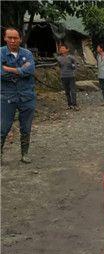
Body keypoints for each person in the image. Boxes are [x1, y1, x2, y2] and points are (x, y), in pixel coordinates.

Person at [1, 27, 36, 163]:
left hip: (27, 95)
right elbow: (1, 73)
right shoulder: (0, 53)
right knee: (3, 127)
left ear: (20, 39)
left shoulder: (27, 53)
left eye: (15, 38)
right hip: (6, 96)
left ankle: (24, 154)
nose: (12, 40)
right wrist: (21, 70)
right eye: (9, 37)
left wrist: (8, 68)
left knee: (26, 127)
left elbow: (31, 70)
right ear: (4, 38)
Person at [56, 44, 79, 110]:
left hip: (71, 76)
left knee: (73, 91)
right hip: (63, 76)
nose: (61, 49)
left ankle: (75, 105)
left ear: (67, 49)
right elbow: (60, 66)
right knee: (67, 91)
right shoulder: (59, 58)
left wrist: (73, 66)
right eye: (60, 48)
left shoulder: (71, 57)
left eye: (63, 48)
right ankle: (69, 104)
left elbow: (75, 66)